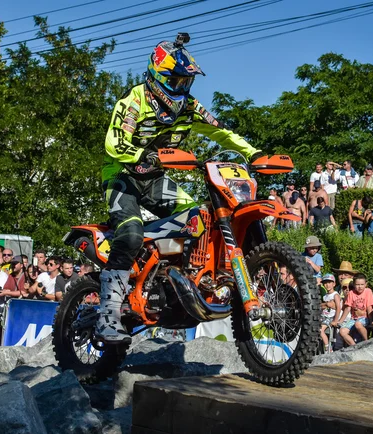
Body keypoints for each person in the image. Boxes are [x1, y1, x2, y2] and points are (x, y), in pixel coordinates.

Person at [97, 34, 267, 343]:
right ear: (157, 76)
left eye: (186, 82)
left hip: (156, 179)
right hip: (122, 175)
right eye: (176, 81)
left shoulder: (189, 107)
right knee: (131, 232)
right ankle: (107, 315)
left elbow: (222, 132)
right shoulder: (134, 99)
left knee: (197, 219)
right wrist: (141, 155)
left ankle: (179, 283)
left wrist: (254, 153)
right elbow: (114, 142)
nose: (182, 88)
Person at [331, 273, 373, 346]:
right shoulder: (351, 293)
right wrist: (340, 321)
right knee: (342, 331)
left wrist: (371, 321)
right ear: (354, 285)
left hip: (364, 318)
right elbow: (347, 308)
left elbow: (369, 307)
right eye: (358, 285)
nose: (360, 287)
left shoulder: (368, 291)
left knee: (358, 324)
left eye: (362, 284)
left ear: (365, 284)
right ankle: (354, 346)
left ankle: (366, 341)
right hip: (354, 318)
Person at [319, 273, 341, 353]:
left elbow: (338, 307)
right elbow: (322, 306)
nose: (327, 285)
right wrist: (326, 304)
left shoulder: (335, 295)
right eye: (325, 283)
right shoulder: (325, 296)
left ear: (334, 284)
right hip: (324, 316)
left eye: (329, 282)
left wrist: (335, 320)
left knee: (320, 330)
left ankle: (328, 347)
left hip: (330, 317)